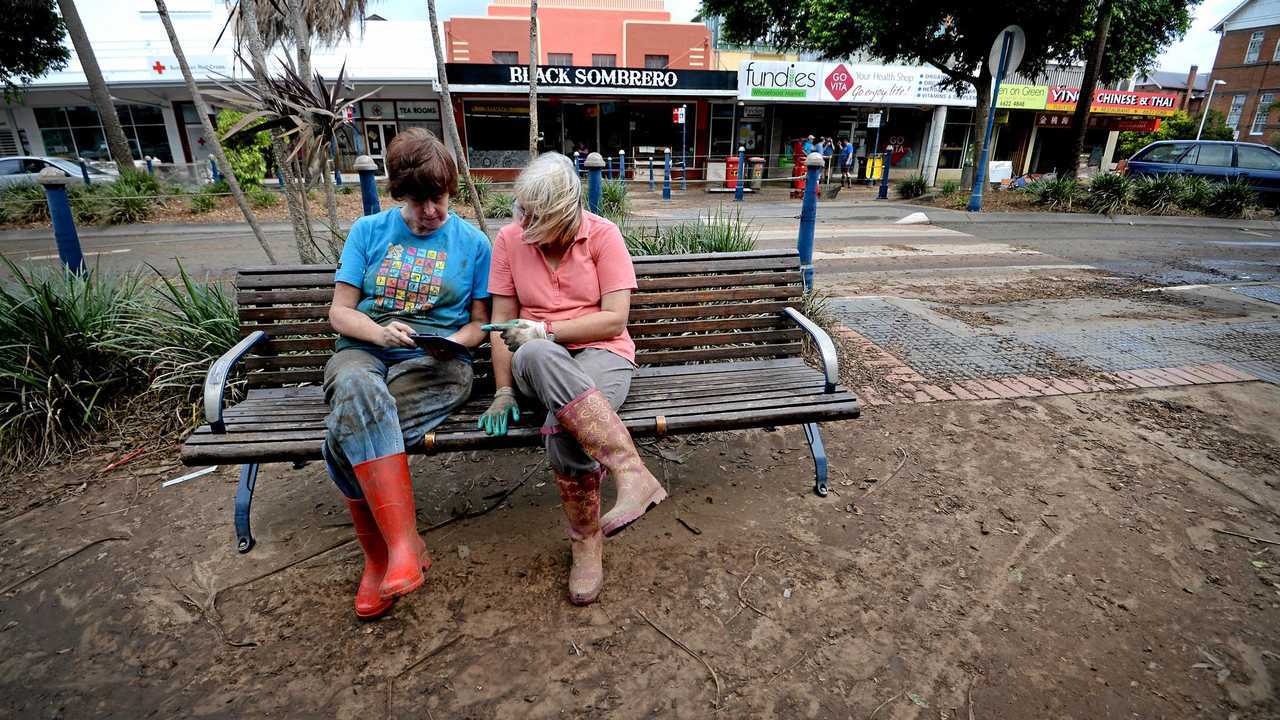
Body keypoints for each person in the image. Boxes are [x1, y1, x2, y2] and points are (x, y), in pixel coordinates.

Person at [477, 152, 666, 606]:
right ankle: (632, 472)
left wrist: (548, 328)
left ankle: (586, 540)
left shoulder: (603, 235)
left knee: (564, 424)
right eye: (520, 211)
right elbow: (503, 323)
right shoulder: (509, 240)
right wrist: (503, 390)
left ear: (562, 214)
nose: (522, 222)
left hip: (603, 355)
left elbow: (614, 320)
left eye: (533, 215)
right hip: (533, 360)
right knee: (541, 352)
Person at [322, 128, 492, 620]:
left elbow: (479, 323)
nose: (429, 212)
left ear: (449, 192)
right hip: (366, 352)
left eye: (436, 199)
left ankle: (381, 558)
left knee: (346, 429)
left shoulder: (472, 242)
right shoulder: (368, 232)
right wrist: (378, 333)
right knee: (356, 386)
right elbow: (341, 313)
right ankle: (397, 548)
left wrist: (455, 342)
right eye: (417, 202)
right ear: (399, 194)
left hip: (435, 364)